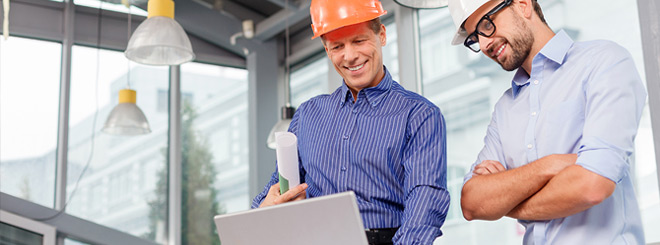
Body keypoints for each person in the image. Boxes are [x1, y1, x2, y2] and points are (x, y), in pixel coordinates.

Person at [447, 0, 647, 243]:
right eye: (474, 38)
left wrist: (505, 204)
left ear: (522, 4)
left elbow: (592, 185)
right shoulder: (505, 109)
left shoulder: (604, 62)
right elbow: (471, 203)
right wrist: (551, 165)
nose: (484, 43)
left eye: (487, 24)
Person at [251, 0, 450, 244]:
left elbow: (425, 201)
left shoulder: (419, 115)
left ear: (382, 35)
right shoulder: (307, 115)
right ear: (326, 50)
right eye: (337, 46)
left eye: (359, 41)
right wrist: (263, 208)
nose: (350, 56)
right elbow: (279, 184)